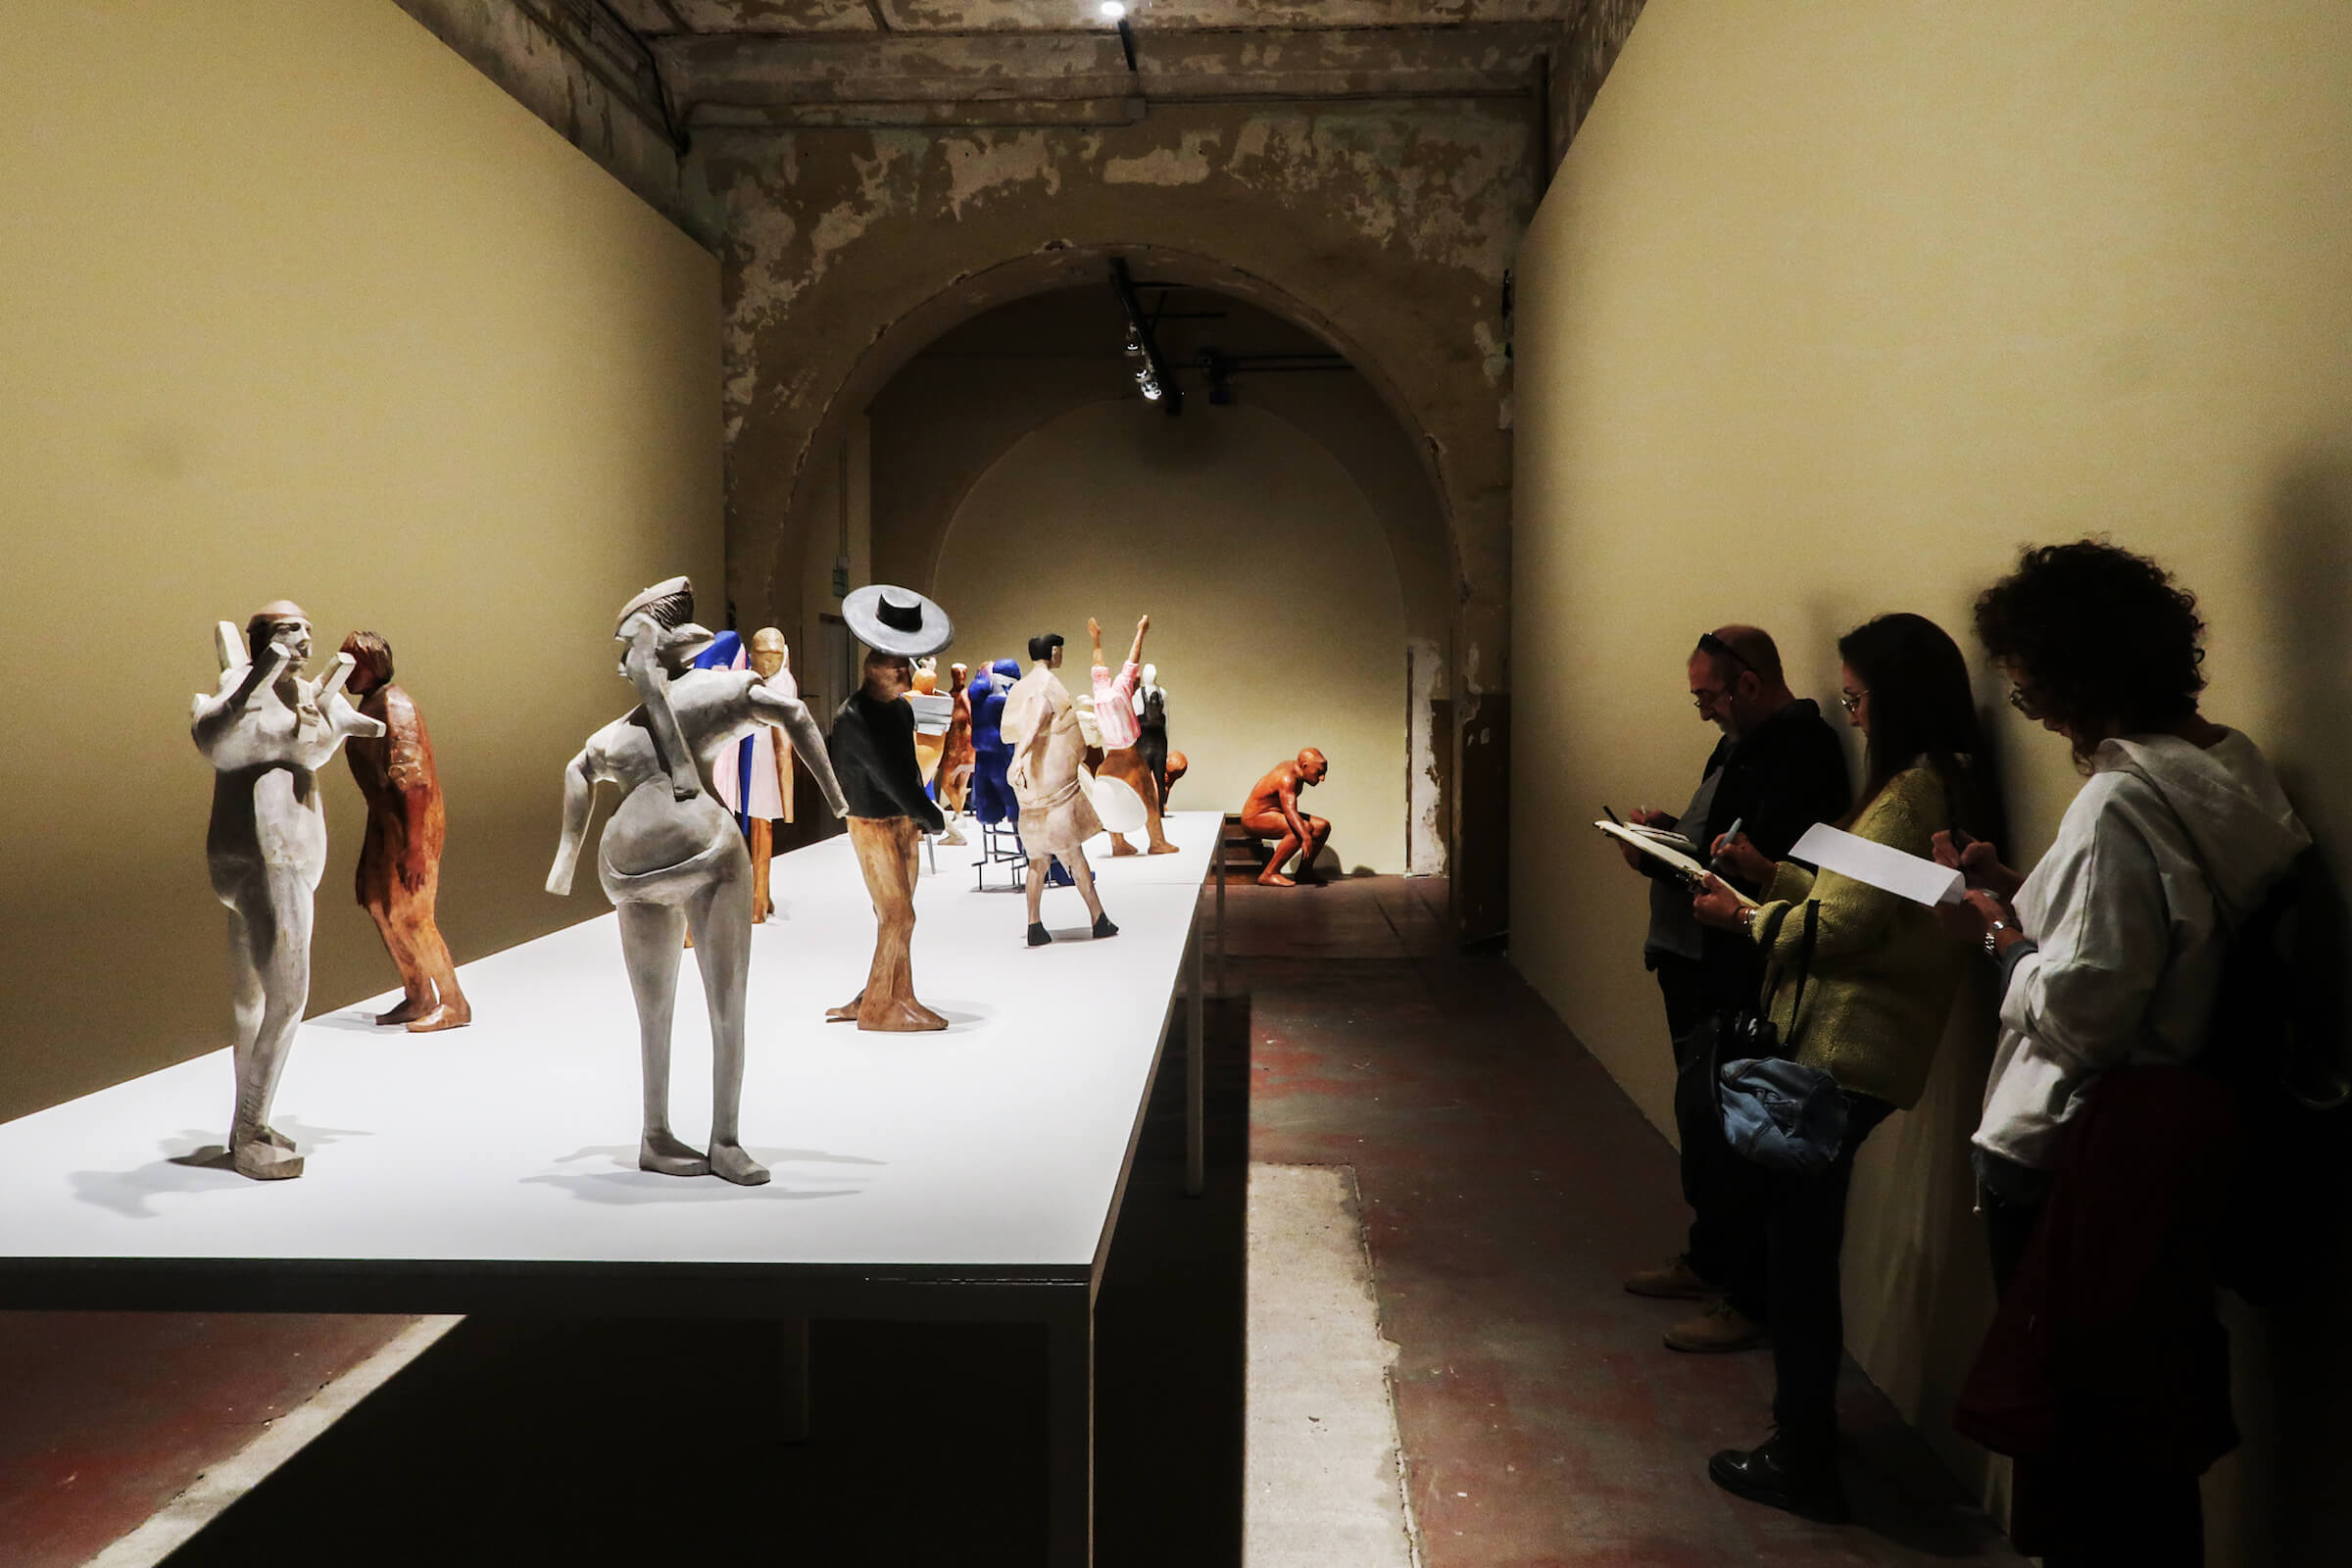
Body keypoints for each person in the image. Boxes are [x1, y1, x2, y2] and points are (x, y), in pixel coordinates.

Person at [1934, 542, 2308, 1565]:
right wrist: (2026, 889)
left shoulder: (2117, 800)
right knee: (2145, 1441)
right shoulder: (2228, 770)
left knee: (2077, 1454)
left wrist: (1998, 938)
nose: (2038, 716)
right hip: (2172, 1146)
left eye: (2033, 692)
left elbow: (2090, 1009)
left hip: (2074, 1152)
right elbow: (2161, 936)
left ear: (2077, 679)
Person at [1690, 612, 1986, 1520]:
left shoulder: (1908, 795)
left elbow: (1844, 929)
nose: (1851, 715)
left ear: (1894, 699)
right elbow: (1857, 903)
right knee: (1803, 1249)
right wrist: (1768, 875)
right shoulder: (1930, 783)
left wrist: (1744, 917)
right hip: (1859, 1047)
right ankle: (1806, 1431)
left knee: (1800, 1261)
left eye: (1856, 699)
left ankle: (1803, 1455)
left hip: (1843, 1050)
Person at [1615, 626, 1850, 1353]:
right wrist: (1666, 838)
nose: (1704, 711)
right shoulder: (1740, 742)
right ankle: (1713, 1259)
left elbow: (1779, 867)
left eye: (1708, 696)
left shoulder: (1803, 750)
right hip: (1697, 954)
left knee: (1734, 1133)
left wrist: (1680, 863)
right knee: (1702, 1121)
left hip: (1737, 963)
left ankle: (1748, 1295)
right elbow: (1721, 840)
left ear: (1748, 683)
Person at [341, 630, 469, 1031]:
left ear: (372, 665)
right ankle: (418, 995)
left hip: (413, 824)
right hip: (385, 823)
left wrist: (415, 847)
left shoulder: (395, 707)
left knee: (411, 914)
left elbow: (413, 782)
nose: (345, 671)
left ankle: (454, 1002)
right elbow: (377, 792)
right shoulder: (371, 707)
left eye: (353, 663)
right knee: (380, 906)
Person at [1003, 632, 1118, 946]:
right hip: (1050, 790)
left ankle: (1034, 924)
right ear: (1054, 652)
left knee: (1037, 861)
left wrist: (1020, 758)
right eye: (1060, 651)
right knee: (1074, 858)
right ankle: (1098, 919)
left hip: (1033, 790)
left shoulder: (1021, 687)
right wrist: (1018, 757)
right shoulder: (1045, 686)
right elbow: (1036, 719)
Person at [1240, 749, 1331, 886]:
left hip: (1275, 813)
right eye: (1319, 772)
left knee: (1322, 827)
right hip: (1254, 817)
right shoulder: (1287, 778)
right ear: (1304, 766)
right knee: (1302, 829)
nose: (1322, 778)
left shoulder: (1295, 768)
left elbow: (1288, 810)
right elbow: (1290, 811)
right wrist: (1306, 836)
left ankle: (1304, 872)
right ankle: (1269, 873)